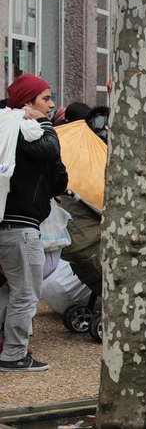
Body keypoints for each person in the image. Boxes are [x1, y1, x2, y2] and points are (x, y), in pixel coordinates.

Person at [0, 74, 68, 372]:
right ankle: (14, 354)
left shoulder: (7, 129)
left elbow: (57, 177)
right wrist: (43, 123)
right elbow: (52, 153)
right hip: (19, 226)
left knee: (7, 289)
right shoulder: (28, 131)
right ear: (28, 103)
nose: (52, 104)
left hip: (7, 223)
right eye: (46, 98)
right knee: (26, 292)